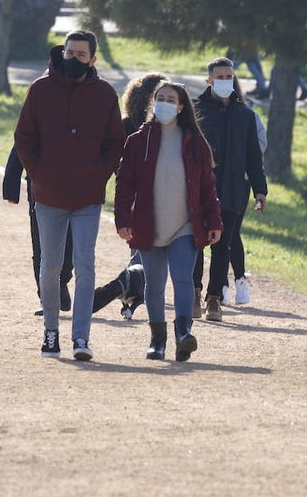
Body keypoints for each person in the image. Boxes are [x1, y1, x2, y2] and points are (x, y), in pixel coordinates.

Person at [14, 30, 125, 361]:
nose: (73, 59)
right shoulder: (40, 89)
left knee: (85, 263)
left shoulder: (105, 93)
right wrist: (39, 174)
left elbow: (115, 143)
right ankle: (51, 332)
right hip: (48, 195)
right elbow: (24, 137)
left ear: (93, 59)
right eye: (69, 52)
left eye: (80, 55)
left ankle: (81, 337)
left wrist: (99, 172)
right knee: (50, 266)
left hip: (88, 196)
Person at [114, 81, 223, 360]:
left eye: (171, 99)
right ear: (153, 104)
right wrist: (123, 219)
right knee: (154, 283)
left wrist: (214, 222)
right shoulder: (138, 140)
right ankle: (157, 339)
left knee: (183, 278)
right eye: (160, 98)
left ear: (181, 107)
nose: (164, 103)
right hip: (148, 225)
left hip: (184, 226)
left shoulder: (196, 144)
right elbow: (124, 184)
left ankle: (183, 334)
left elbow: (207, 188)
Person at [193, 57, 268, 322]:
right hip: (199, 189)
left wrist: (260, 190)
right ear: (209, 79)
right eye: (220, 77)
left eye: (229, 77)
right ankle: (194, 291)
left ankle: (214, 298)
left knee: (222, 245)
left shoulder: (245, 116)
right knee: (196, 243)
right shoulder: (195, 111)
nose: (225, 81)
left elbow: (253, 157)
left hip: (234, 190)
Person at [93, 72, 166, 319]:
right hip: (140, 198)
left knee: (144, 250)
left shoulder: (170, 128)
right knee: (146, 249)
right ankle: (125, 287)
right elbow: (116, 162)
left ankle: (129, 293)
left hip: (158, 197)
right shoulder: (128, 128)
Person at [3, 145, 74, 316]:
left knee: (69, 244)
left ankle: (61, 281)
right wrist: (11, 187)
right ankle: (46, 297)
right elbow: (22, 142)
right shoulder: (36, 117)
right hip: (39, 188)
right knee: (41, 246)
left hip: (71, 187)